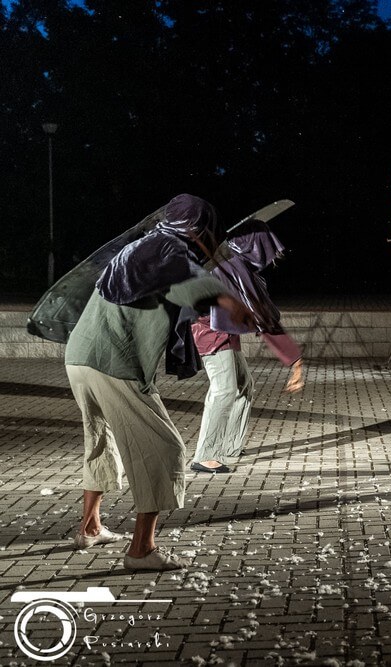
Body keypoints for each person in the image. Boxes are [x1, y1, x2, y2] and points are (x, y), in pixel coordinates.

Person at [65, 194, 252, 571]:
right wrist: (234, 299)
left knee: (101, 440)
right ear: (199, 227)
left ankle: (90, 527)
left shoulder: (140, 246)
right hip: (113, 363)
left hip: (79, 356)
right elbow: (203, 294)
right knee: (164, 448)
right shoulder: (171, 253)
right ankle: (141, 551)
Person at [189, 221, 304, 474]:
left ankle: (230, 446)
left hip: (223, 332)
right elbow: (263, 316)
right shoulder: (231, 265)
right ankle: (205, 455)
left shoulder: (230, 260)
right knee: (224, 389)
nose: (270, 259)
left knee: (243, 386)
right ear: (255, 246)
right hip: (210, 333)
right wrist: (295, 361)